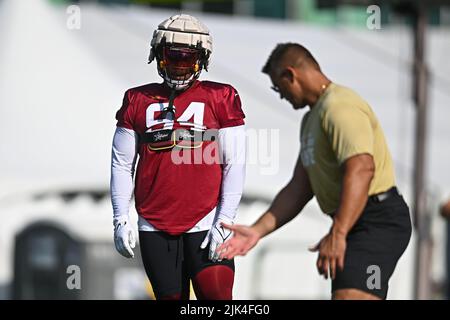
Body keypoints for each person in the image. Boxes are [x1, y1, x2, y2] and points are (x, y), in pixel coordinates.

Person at [217, 43, 412, 300]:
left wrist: (339, 233)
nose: (280, 95)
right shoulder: (312, 120)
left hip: (377, 221)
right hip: (354, 221)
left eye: (278, 87)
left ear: (291, 75)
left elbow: (362, 168)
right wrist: (256, 230)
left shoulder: (340, 106)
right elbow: (298, 188)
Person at [110, 14, 246, 300]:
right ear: (158, 56)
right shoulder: (137, 100)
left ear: (201, 59)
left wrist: (224, 219)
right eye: (172, 58)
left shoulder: (221, 97)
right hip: (153, 222)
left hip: (207, 219)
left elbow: (234, 162)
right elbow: (122, 163)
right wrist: (120, 218)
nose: (179, 66)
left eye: (187, 59)